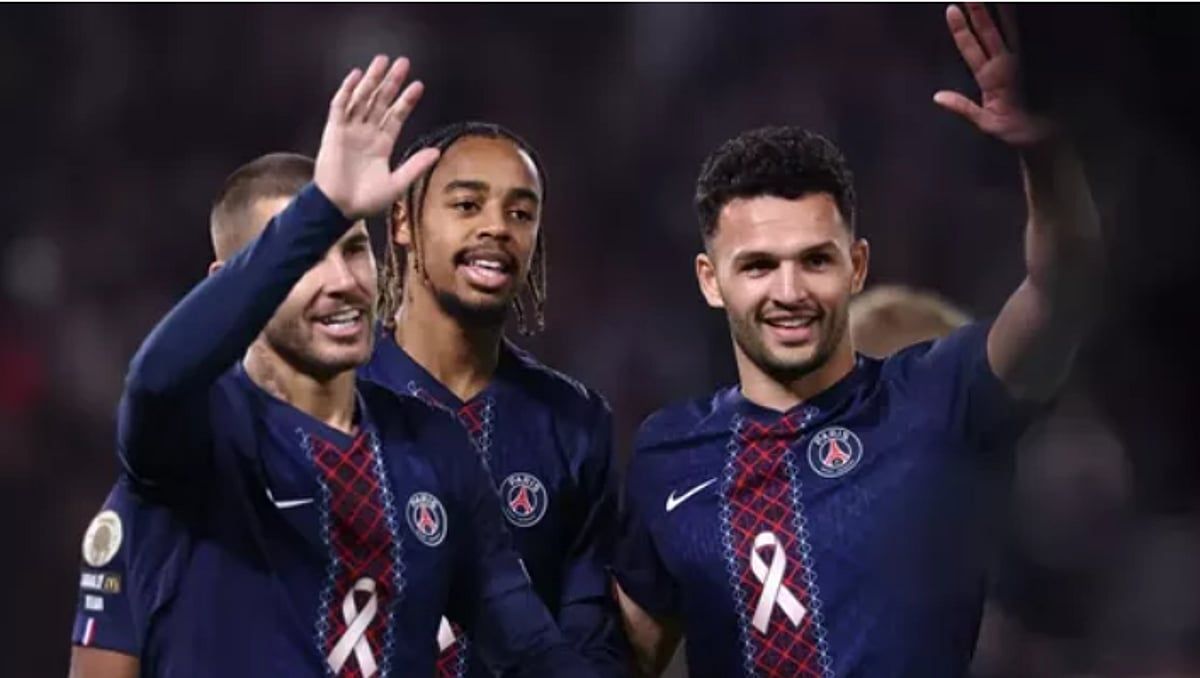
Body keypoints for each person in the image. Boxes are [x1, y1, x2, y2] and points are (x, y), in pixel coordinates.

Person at [613, 4, 1102, 676]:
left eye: (815, 260)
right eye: (758, 266)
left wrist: (1044, 157)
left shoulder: (934, 400)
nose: (789, 291)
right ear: (711, 280)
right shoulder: (669, 454)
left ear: (857, 266)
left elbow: (1062, 291)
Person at [71, 55, 596, 677]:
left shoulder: (432, 445)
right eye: (304, 261)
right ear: (236, 283)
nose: (343, 282)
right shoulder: (197, 439)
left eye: (352, 249)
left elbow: (531, 650)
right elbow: (155, 381)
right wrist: (321, 207)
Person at [360, 120, 627, 677]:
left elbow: (590, 637)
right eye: (466, 205)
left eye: (520, 213)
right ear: (403, 221)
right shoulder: (339, 398)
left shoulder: (574, 422)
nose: (497, 227)